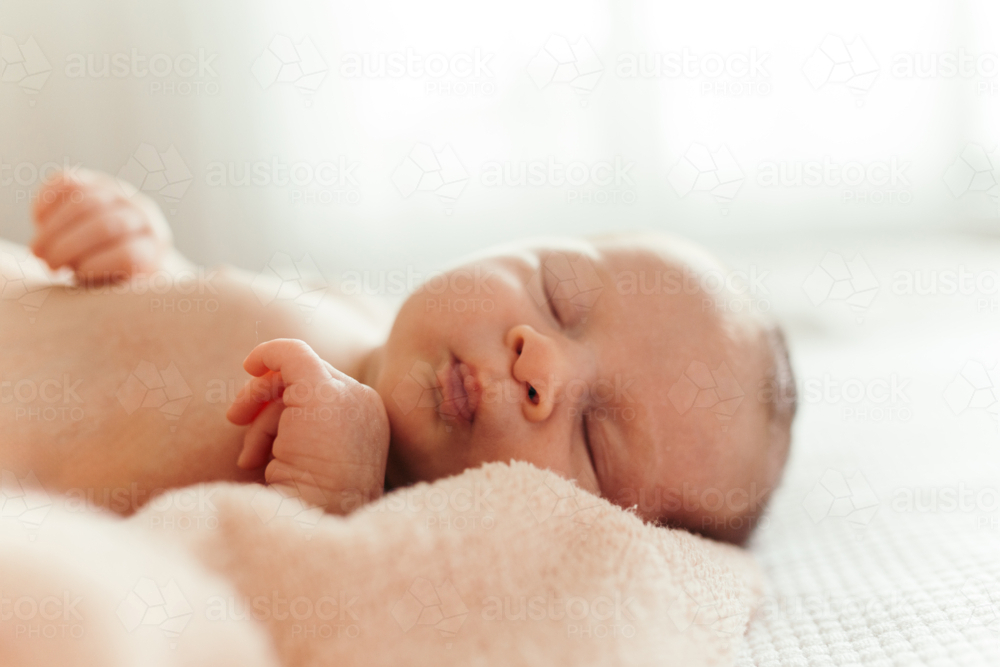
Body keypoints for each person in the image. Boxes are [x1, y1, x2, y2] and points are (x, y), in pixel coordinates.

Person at [0, 168, 795, 543]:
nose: (541, 366)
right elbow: (182, 315)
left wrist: (330, 501)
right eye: (558, 295)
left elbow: (252, 590)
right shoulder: (344, 303)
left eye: (593, 437)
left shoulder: (384, 514)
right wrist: (136, 256)